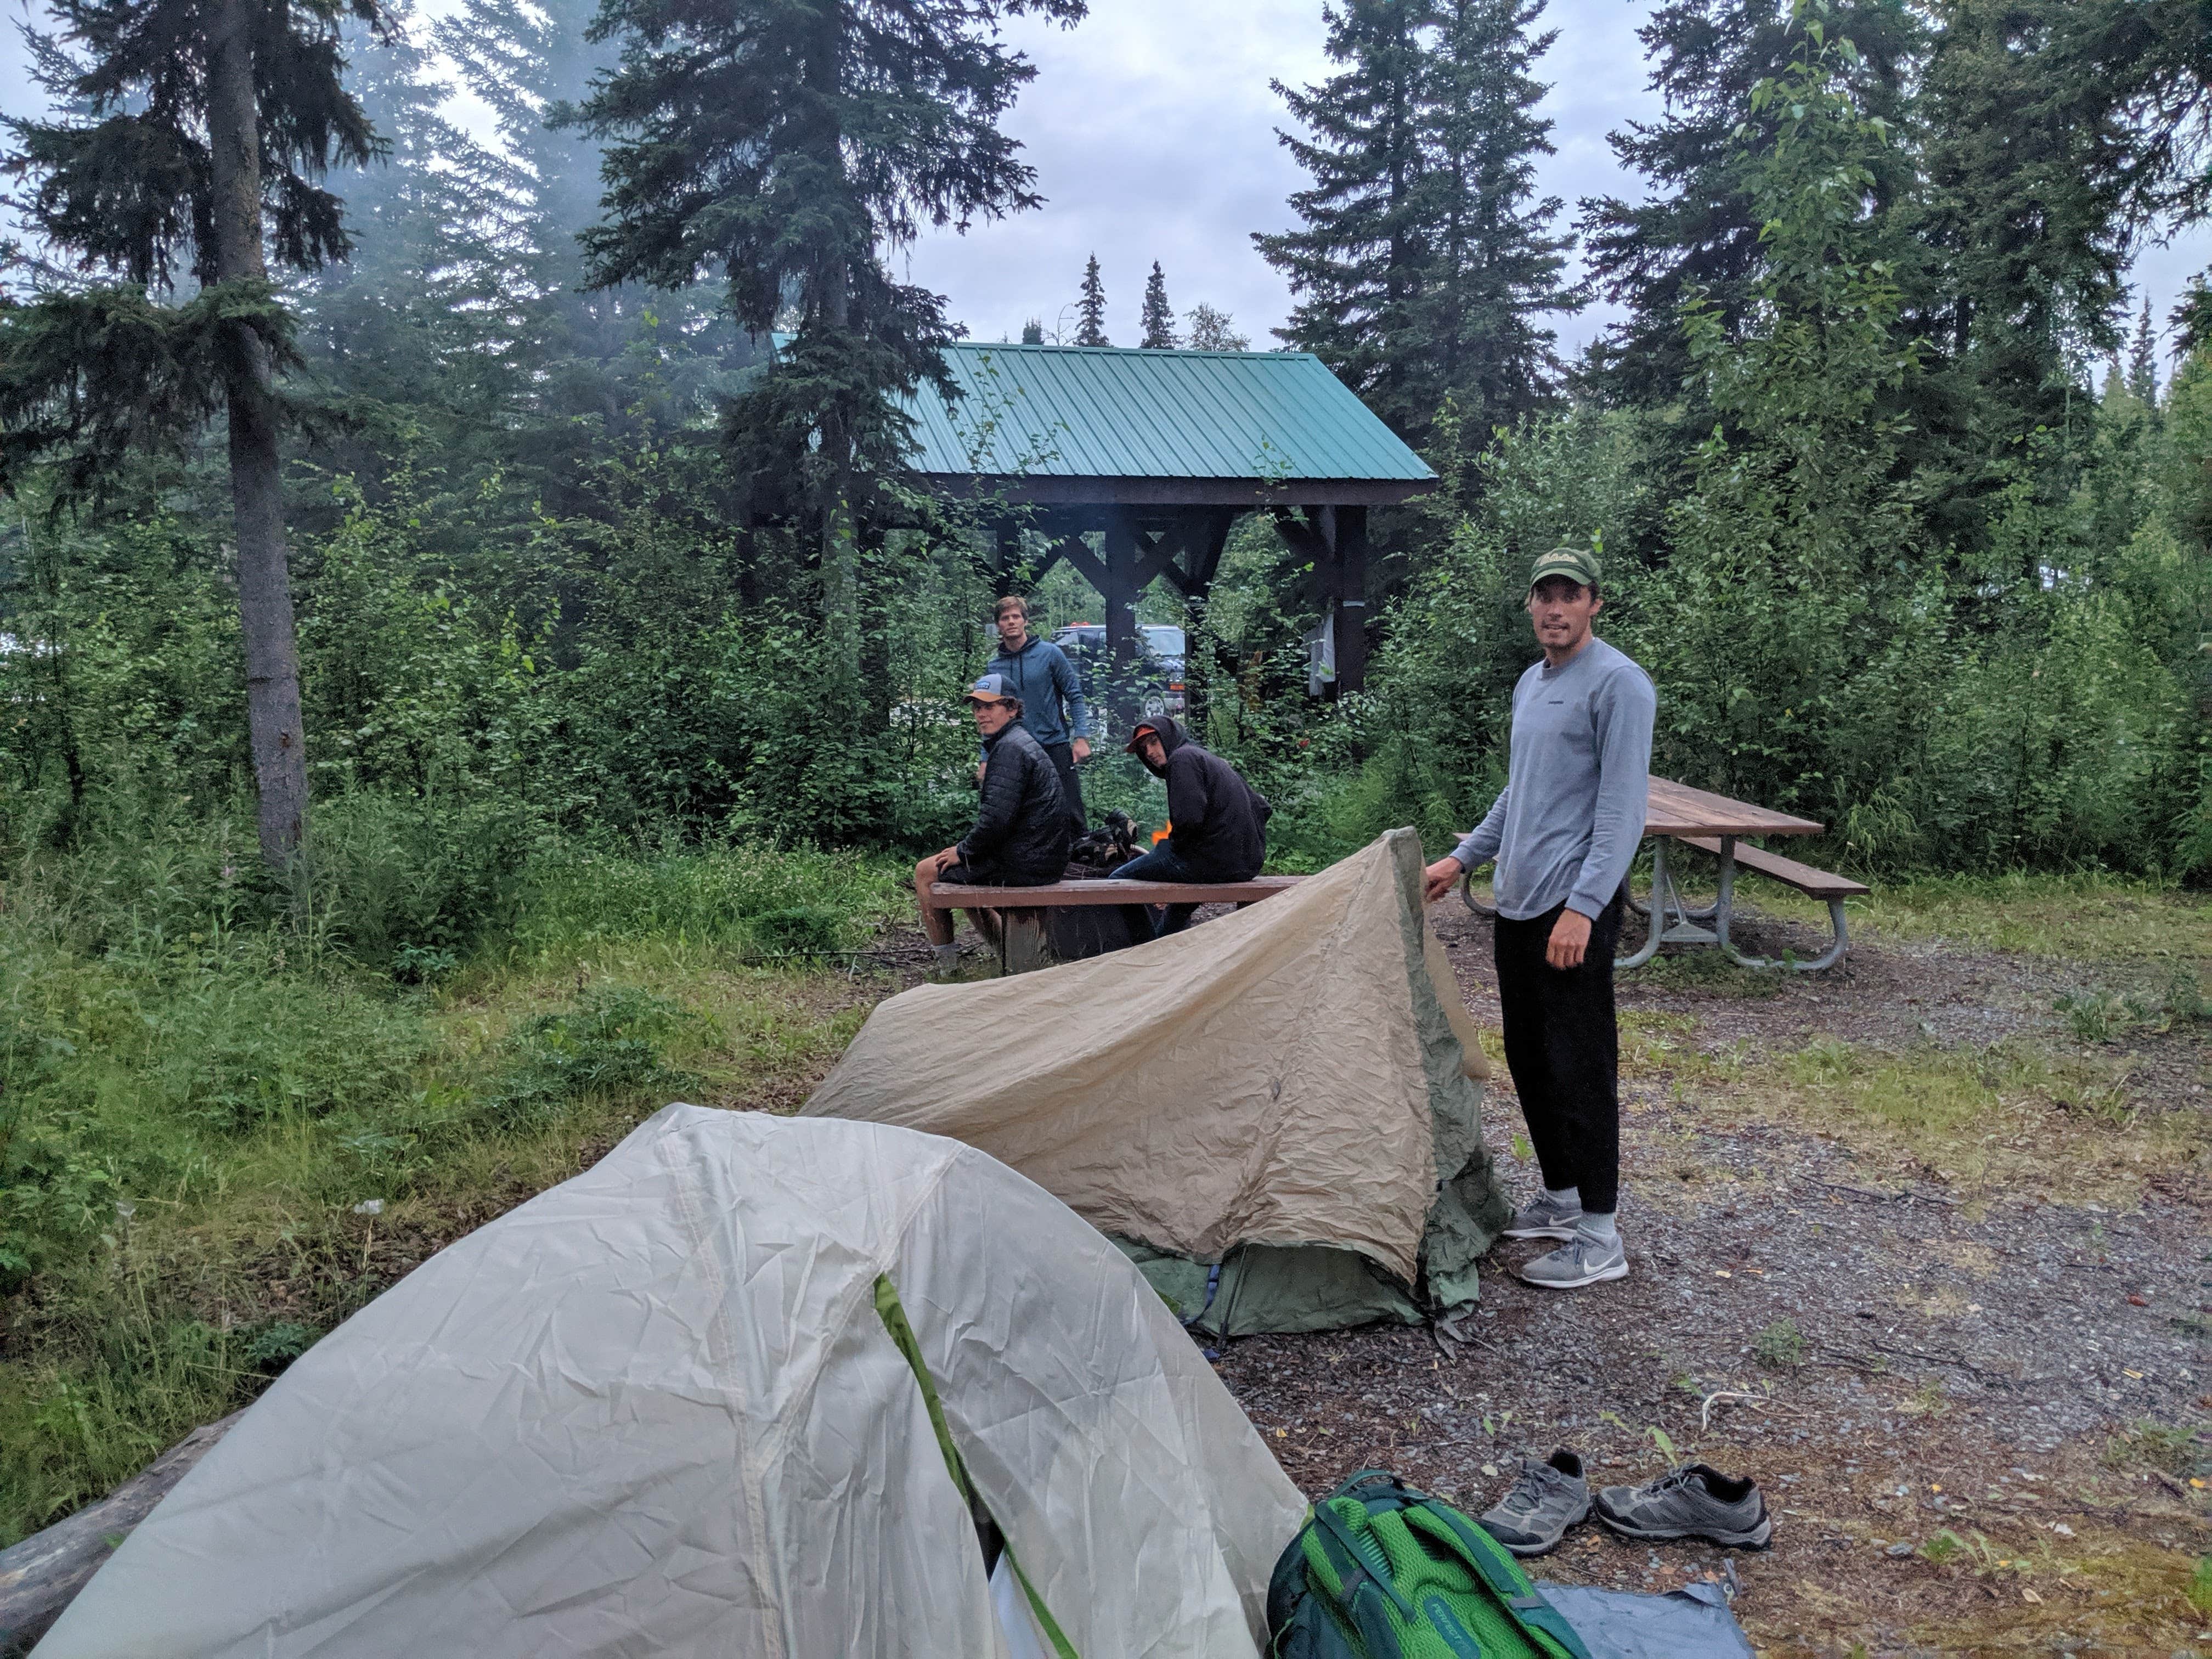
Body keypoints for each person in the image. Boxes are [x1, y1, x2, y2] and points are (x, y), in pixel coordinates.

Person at [1421, 548, 1655, 1292]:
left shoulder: (1618, 684)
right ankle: (1560, 1195)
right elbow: (1519, 794)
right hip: (1519, 902)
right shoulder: (1534, 682)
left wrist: (1585, 907)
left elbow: (1623, 812)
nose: (1554, 609)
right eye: (1543, 597)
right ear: (1530, 606)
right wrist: (1461, 860)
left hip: (1570, 908)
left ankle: (1601, 1233)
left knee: (1580, 1061)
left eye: (1570, 596)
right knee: (1529, 1053)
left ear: (1595, 603)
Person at [917, 675, 1073, 972]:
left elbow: (996, 821)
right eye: (976, 707)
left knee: (926, 872)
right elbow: (1001, 820)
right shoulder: (1018, 742)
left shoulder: (1010, 749)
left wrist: (964, 851)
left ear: (1012, 709)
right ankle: (1005, 951)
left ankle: (947, 968)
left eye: (990, 706)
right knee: (960, 874)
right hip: (1037, 857)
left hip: (1028, 862)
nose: (981, 714)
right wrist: (967, 851)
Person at [1111, 715, 1271, 939]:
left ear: (1169, 737)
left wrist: (1176, 848)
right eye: (1143, 748)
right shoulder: (1204, 757)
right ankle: (1160, 948)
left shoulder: (1182, 760)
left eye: (1154, 742)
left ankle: (1142, 947)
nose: (1149, 752)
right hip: (1245, 863)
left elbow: (1188, 821)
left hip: (1212, 862)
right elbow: (1263, 808)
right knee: (1181, 900)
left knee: (1116, 883)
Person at [981, 594, 1090, 832]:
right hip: (1014, 752)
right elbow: (989, 715)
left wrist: (1081, 737)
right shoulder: (994, 666)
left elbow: (1075, 695)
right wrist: (985, 757)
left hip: (1053, 745)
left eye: (1016, 616)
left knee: (1071, 812)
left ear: (1025, 621)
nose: (1011, 622)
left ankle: (1084, 863)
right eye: (1005, 618)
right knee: (1024, 814)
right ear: (998, 625)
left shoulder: (1050, 654)